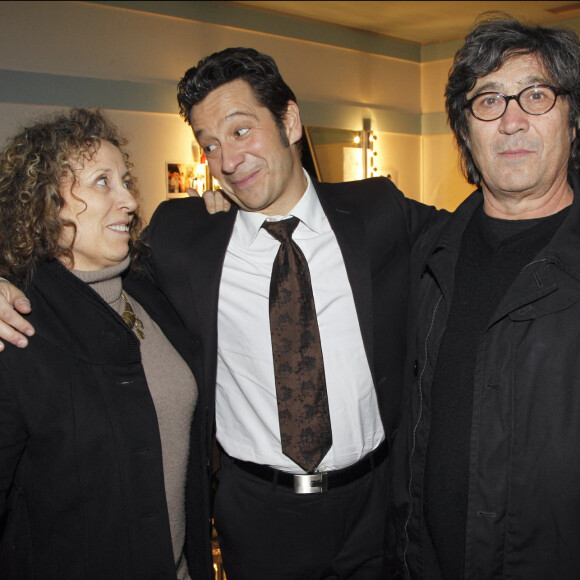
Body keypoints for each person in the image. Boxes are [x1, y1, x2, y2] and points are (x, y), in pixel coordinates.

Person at [0, 50, 435, 578]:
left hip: (373, 504)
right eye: (210, 145)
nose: (227, 160)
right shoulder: (186, 236)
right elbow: (56, 253)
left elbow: (477, 236)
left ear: (290, 122)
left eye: (240, 131)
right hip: (258, 515)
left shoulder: (377, 211)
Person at [389, 15, 580, 579]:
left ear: (574, 120)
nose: (512, 120)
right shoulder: (427, 256)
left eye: (536, 95)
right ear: (466, 132)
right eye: (488, 101)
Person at [0, 108, 207, 579]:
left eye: (126, 181)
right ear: (47, 205)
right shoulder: (16, 328)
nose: (130, 200)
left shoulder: (148, 293)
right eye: (102, 182)